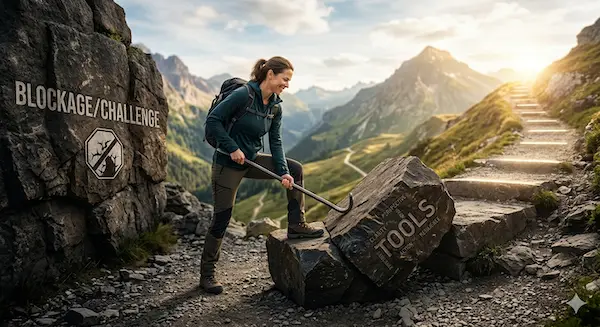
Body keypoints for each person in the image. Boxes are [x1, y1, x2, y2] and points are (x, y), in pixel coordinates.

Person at [200, 56, 325, 295]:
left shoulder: (275, 106)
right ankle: (207, 275)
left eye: (289, 80)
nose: (287, 84)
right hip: (228, 162)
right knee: (222, 218)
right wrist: (231, 147)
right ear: (270, 75)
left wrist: (284, 173)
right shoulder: (243, 95)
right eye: (285, 79)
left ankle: (297, 224)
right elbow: (213, 122)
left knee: (296, 169)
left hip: (252, 160)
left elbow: (275, 142)